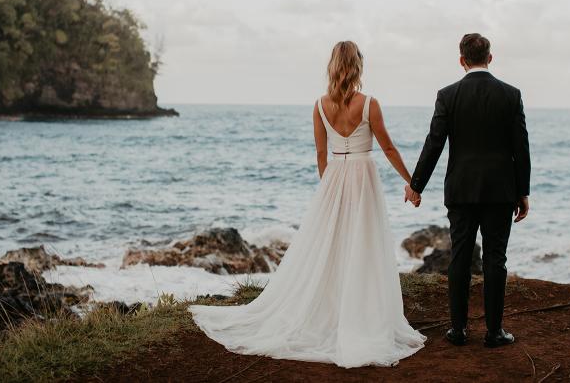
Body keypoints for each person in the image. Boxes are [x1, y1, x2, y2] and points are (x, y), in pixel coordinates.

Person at [189, 40, 426, 368]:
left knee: (333, 245)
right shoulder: (369, 103)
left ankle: (332, 308)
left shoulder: (319, 105)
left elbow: (320, 153)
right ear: (357, 66)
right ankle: (361, 312)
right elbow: (388, 149)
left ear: (332, 65)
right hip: (362, 175)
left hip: (334, 176)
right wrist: (412, 183)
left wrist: (329, 189)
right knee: (364, 243)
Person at [405, 33, 531, 348]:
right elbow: (521, 148)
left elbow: (434, 143)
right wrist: (523, 191)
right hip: (501, 190)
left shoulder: (448, 95)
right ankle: (494, 332)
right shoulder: (511, 95)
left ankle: (458, 330)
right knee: (495, 258)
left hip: (461, 190)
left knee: (460, 257)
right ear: (490, 57)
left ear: (462, 61)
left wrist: (416, 185)